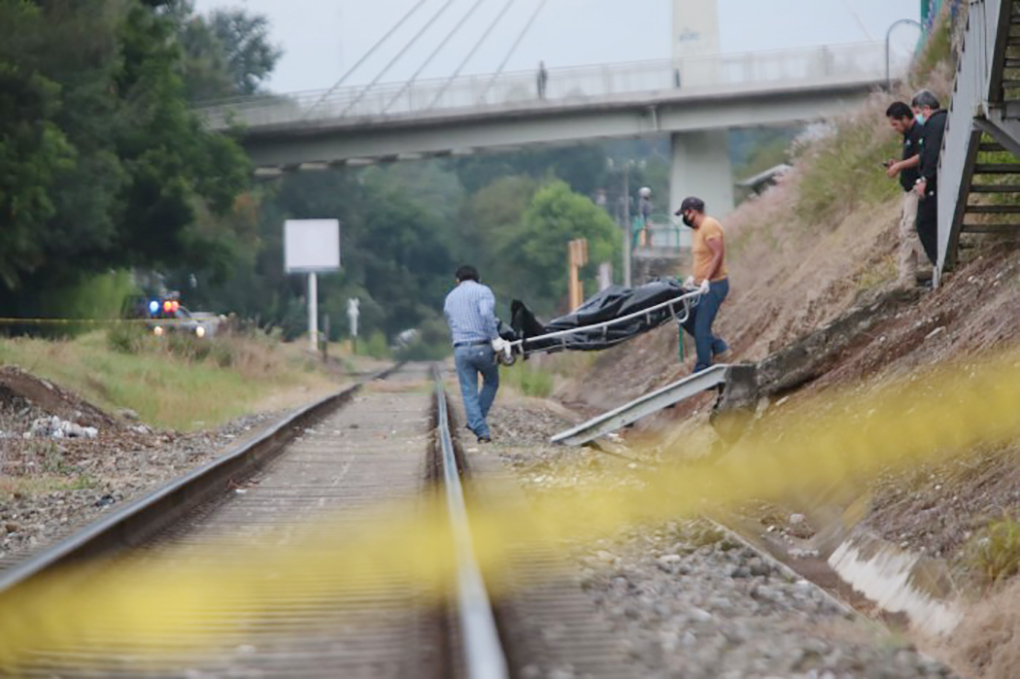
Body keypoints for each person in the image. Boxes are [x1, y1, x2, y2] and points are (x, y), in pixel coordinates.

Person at [443, 265, 507, 443]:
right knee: (491, 382)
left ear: (457, 280)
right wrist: (495, 338)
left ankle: (477, 424)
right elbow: (486, 313)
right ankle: (477, 424)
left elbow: (450, 319)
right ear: (478, 278)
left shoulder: (450, 297)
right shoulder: (483, 291)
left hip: (461, 349)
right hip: (483, 346)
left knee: (468, 391)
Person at [675, 197, 729, 373]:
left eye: (684, 214)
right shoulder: (697, 230)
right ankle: (719, 346)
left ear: (692, 212)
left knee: (701, 327)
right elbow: (702, 258)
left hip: (715, 284)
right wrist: (694, 277)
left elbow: (718, 253)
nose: (684, 218)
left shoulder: (709, 225)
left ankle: (703, 367)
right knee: (686, 318)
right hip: (701, 286)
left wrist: (707, 279)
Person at [885, 101, 925, 285]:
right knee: (904, 233)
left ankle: (932, 258)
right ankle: (907, 277)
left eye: (895, 124)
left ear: (904, 118)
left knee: (909, 229)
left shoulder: (919, 131)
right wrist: (897, 164)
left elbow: (921, 156)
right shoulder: (908, 135)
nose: (894, 128)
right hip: (908, 189)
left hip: (917, 188)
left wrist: (900, 166)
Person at [912, 89, 948, 269]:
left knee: (924, 223)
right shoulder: (944, 119)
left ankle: (940, 263)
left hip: (934, 182)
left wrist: (925, 179)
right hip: (938, 179)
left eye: (918, 113)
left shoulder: (933, 124)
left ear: (926, 108)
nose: (918, 118)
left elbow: (932, 153)